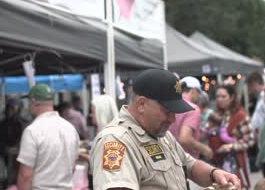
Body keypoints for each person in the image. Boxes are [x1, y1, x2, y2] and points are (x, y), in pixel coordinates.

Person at [90, 69, 242, 190]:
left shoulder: (162, 135)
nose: (172, 119)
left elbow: (190, 165)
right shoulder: (116, 140)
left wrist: (215, 174)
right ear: (142, 104)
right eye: (167, 111)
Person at [17, 84, 79, 190]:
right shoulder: (70, 128)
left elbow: (25, 176)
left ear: (33, 102)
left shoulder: (32, 131)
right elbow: (72, 168)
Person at [209, 85, 255, 189]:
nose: (219, 99)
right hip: (217, 160)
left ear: (232, 97)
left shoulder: (241, 115)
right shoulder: (215, 115)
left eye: (223, 96)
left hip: (236, 161)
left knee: (236, 186)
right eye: (217, 96)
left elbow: (250, 140)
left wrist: (230, 146)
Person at [169, 76, 213, 160]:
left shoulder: (170, 104)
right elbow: (184, 139)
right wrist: (205, 149)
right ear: (193, 90)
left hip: (171, 157)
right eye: (199, 92)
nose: (199, 96)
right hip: (187, 160)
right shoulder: (193, 108)